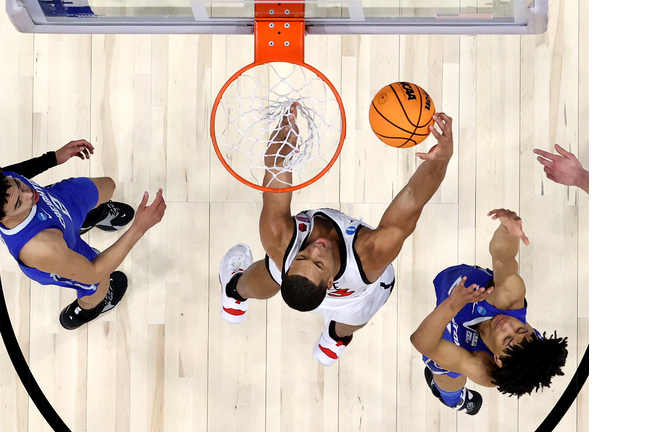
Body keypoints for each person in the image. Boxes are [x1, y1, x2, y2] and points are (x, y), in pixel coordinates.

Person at [218, 103, 455, 366]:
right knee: (351, 320)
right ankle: (334, 339)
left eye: (303, 258)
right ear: (330, 280)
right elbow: (412, 200)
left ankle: (234, 293)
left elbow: (275, 169)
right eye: (317, 262)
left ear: (291, 267)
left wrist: (283, 141)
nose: (315, 250)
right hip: (355, 299)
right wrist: (441, 160)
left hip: (316, 281)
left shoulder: (280, 240)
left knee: (268, 272)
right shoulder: (372, 255)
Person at [0, 139, 166, 330]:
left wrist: (53, 158)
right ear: (1, 219)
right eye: (19, 202)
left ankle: (92, 217)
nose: (30, 194)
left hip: (57, 203)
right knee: (100, 284)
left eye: (19, 185)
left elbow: (12, 172)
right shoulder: (42, 249)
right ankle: (85, 311)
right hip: (61, 248)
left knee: (108, 186)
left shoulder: (1, 187)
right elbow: (94, 272)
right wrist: (139, 227)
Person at [410, 209, 568, 415]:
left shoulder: (483, 369)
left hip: (450, 321)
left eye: (508, 340)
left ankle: (453, 400)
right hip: (456, 289)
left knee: (444, 371)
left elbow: (422, 342)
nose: (508, 325)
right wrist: (507, 229)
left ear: (498, 359)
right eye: (521, 329)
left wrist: (453, 304)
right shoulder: (509, 299)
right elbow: (503, 257)